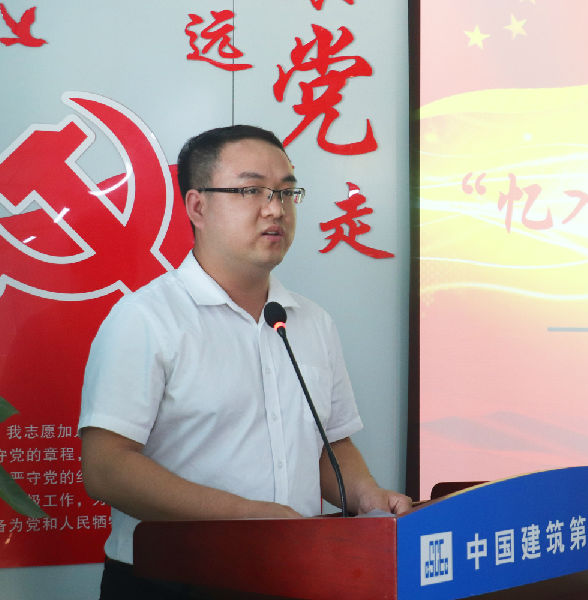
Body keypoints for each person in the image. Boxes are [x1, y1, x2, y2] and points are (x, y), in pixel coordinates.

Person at [78, 125, 411, 599]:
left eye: (286, 191)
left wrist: (366, 497)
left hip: (296, 574)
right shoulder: (146, 318)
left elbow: (329, 444)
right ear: (198, 207)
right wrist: (247, 517)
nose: (275, 209)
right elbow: (106, 467)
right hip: (172, 582)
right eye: (251, 190)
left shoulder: (311, 321)